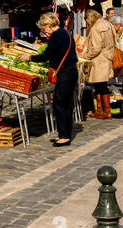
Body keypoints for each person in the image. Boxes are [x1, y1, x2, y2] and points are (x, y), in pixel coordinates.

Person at [34, 11, 78, 146]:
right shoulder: (65, 33)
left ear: (48, 24)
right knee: (65, 103)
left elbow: (46, 55)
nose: (44, 31)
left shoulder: (56, 35)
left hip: (65, 73)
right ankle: (64, 134)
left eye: (43, 28)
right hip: (70, 71)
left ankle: (64, 136)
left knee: (60, 104)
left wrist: (30, 58)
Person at [80, 9, 115, 119]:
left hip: (99, 60)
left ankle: (105, 111)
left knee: (100, 86)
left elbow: (96, 48)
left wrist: (84, 57)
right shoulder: (107, 24)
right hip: (107, 57)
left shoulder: (96, 28)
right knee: (101, 85)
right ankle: (101, 110)